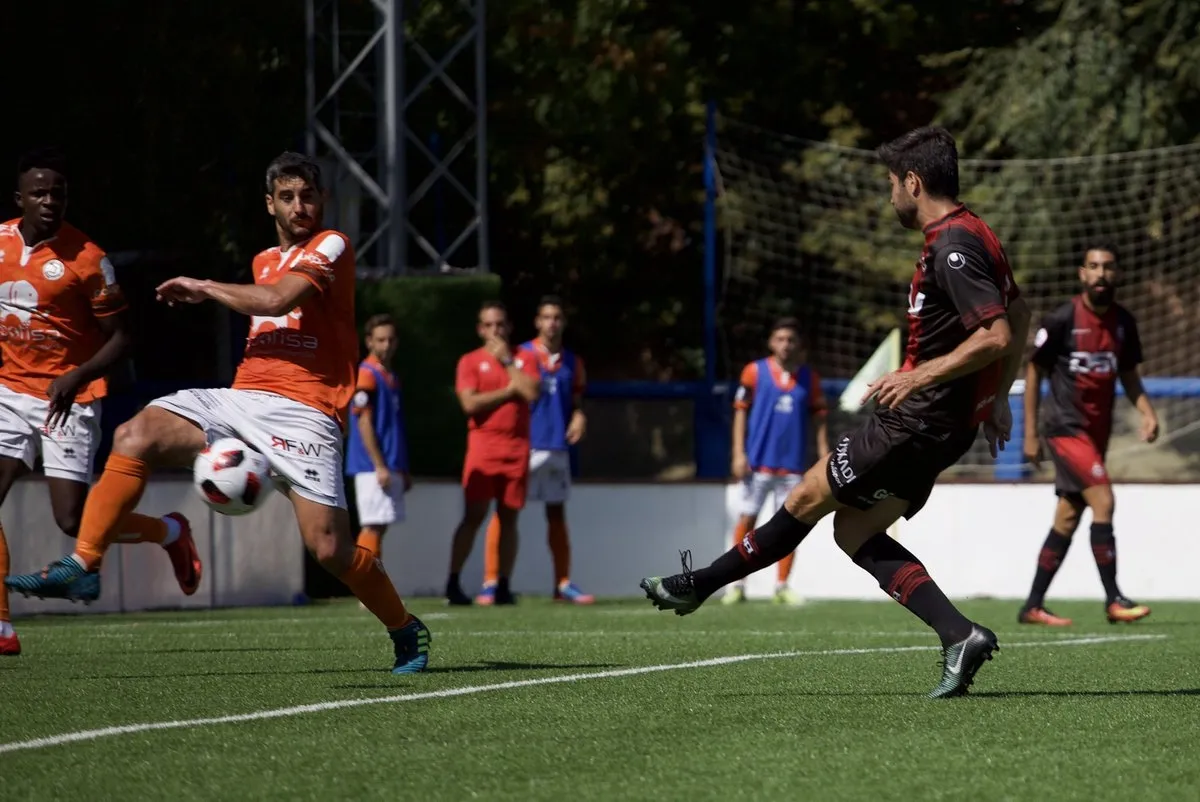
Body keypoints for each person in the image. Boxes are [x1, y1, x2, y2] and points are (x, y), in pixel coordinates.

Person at [639, 126, 1032, 699]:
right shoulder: (976, 232)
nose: (890, 196)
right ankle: (959, 633)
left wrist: (919, 374)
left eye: (892, 184)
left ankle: (699, 583)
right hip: (940, 427)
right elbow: (1019, 313)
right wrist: (994, 398)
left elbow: (997, 334)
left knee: (803, 498)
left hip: (915, 420)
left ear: (914, 182)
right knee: (854, 529)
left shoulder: (952, 245)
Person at [6, 152, 430, 674]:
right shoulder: (260, 260)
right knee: (135, 433)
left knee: (330, 551)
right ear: (269, 202)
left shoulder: (331, 244)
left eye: (310, 196)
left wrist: (205, 288)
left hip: (305, 411)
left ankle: (405, 627)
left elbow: (276, 302)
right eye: (289, 197)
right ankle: (85, 563)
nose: (302, 206)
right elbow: (265, 298)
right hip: (242, 397)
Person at [0, 148, 197, 658]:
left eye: (58, 193)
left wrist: (77, 375)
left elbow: (123, 338)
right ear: (18, 198)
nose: (49, 201)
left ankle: (169, 530)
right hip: (8, 392)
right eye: (39, 193)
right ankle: (2, 627)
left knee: (71, 520)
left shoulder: (88, 258)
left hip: (71, 397)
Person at [1018, 244, 1157, 626]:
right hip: (1064, 428)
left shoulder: (1124, 322)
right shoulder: (1062, 319)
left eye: (1108, 267)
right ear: (1082, 274)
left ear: (1117, 273)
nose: (1100, 274)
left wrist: (1146, 411)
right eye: (1093, 267)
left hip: (1097, 434)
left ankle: (1032, 605)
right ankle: (1114, 599)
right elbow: (1034, 372)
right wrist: (1029, 434)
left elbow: (1128, 374)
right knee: (1104, 501)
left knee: (1067, 517)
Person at [479, 296, 593, 604]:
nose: (552, 323)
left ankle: (563, 583)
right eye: (546, 317)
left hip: (556, 446)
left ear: (563, 322)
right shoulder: (521, 354)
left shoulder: (573, 362)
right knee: (505, 511)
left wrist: (579, 415)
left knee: (556, 512)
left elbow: (577, 400)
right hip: (524, 445)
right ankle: (492, 580)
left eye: (557, 317)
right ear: (537, 322)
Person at [723, 317, 830, 607]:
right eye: (780, 339)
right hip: (757, 464)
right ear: (771, 342)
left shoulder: (810, 378)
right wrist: (738, 452)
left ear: (799, 345)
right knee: (747, 521)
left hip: (793, 467)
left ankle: (782, 585)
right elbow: (740, 412)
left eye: (791, 340)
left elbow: (819, 417)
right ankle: (736, 584)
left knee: (789, 527)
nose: (785, 345)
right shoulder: (754, 372)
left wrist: (823, 453)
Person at [444, 301, 539, 606]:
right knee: (473, 515)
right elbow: (469, 404)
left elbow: (532, 392)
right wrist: (509, 391)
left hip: (517, 448)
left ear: (508, 327)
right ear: (480, 329)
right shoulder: (469, 362)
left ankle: (502, 584)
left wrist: (509, 363)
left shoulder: (524, 358)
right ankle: (454, 581)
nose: (495, 330)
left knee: (509, 517)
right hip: (484, 448)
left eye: (500, 324)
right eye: (489, 325)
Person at [345, 313, 411, 562]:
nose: (387, 345)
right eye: (381, 340)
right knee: (373, 524)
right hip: (371, 464)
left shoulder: (390, 376)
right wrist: (379, 465)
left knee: (381, 524)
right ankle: (367, 587)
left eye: (391, 340)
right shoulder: (367, 374)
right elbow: (363, 421)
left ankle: (372, 585)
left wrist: (401, 467)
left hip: (389, 462)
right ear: (369, 341)